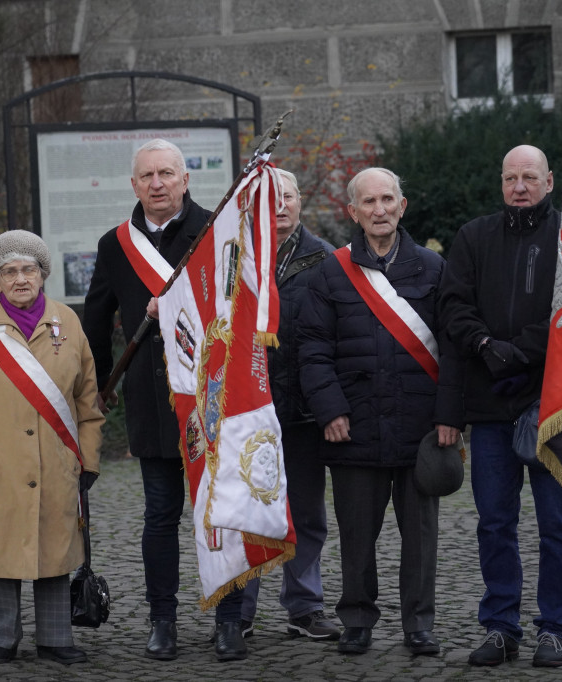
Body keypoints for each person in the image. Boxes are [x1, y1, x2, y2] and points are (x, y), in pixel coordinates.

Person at [83, 138, 247, 661]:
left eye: (167, 174)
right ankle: (163, 621)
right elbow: (95, 319)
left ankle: (229, 621)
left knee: (221, 514)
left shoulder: (214, 231)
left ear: (185, 179)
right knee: (160, 515)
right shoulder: (115, 245)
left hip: (211, 398)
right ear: (134, 185)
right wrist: (101, 383)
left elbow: (239, 308)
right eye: (147, 175)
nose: (157, 183)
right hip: (153, 403)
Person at [298, 167, 463, 656]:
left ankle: (419, 624)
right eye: (368, 202)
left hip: (420, 431)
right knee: (356, 537)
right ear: (353, 212)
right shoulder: (332, 271)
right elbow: (312, 348)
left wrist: (450, 416)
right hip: (353, 426)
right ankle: (356, 620)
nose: (379, 210)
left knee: (421, 539)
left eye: (387, 199)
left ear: (402, 205)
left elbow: (454, 347)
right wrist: (329, 410)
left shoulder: (433, 268)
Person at [0, 229, 104, 666]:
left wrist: (88, 456)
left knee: (54, 551)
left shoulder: (67, 320)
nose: (20, 279)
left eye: (29, 269)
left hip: (58, 461)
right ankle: (2, 638)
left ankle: (54, 638)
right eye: (9, 271)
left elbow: (88, 399)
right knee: (0, 554)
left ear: (43, 273)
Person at [438, 145, 562, 668]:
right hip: (490, 406)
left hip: (554, 404)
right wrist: (483, 345)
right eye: (511, 178)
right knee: (494, 523)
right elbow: (453, 304)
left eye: (530, 177)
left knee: (556, 525)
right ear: (501, 183)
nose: (520, 187)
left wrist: (521, 350)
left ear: (549, 181)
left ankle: (554, 627)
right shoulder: (474, 237)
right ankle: (502, 626)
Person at [240, 169, 340, 641]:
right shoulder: (234, 258)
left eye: (287, 196)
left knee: (305, 513)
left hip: (301, 411)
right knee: (248, 511)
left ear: (301, 201)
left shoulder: (327, 260)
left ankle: (305, 606)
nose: (279, 205)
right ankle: (239, 608)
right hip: (248, 411)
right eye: (269, 198)